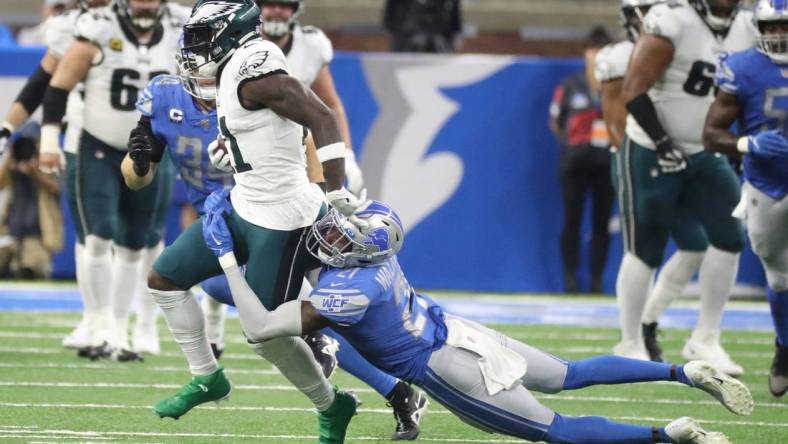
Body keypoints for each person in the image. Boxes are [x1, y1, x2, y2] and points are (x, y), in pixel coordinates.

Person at [202, 195, 753, 444]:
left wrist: (226, 256)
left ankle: (671, 435)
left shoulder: (351, 288)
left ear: (360, 253)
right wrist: (334, 203)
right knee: (571, 372)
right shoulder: (380, 258)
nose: (332, 237)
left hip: (446, 365)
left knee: (555, 431)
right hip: (455, 330)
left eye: (344, 237)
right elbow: (346, 227)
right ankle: (683, 373)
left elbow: (262, 326)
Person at [145, 1, 361, 441]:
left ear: (231, 34)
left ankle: (332, 402)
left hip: (282, 218)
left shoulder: (254, 70)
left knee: (264, 335)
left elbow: (321, 116)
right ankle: (208, 377)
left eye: (202, 39)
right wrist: (234, 147)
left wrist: (336, 189)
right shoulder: (230, 68)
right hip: (245, 204)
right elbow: (264, 126)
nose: (193, 49)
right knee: (164, 280)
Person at [38, 0, 186, 360]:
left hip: (152, 147)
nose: (146, 3)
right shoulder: (98, 26)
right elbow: (59, 85)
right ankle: (101, 324)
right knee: (99, 232)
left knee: (138, 242)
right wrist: (48, 140)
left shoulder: (184, 26)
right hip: (99, 144)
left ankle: (122, 329)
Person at [615, 0, 753, 372]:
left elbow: (746, 91)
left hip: (705, 149)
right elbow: (633, 89)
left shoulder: (749, 26)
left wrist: (738, 140)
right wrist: (662, 142)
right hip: (651, 147)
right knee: (646, 246)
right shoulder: (672, 19)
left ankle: (705, 339)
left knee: (729, 234)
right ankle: (629, 343)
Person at [0, 0, 110, 350]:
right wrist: (7, 128)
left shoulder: (148, 22)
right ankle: (97, 319)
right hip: (87, 137)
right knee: (92, 234)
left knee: (138, 238)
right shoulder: (69, 26)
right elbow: (42, 84)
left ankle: (132, 325)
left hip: (140, 137)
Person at [701, 0, 788, 397]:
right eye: (772, 27)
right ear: (759, 28)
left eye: (785, 26)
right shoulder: (742, 67)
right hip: (766, 184)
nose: (779, 35)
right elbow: (711, 133)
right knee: (780, 276)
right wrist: (747, 142)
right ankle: (785, 346)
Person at [549, 26, 614, 294]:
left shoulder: (615, 87)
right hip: (574, 164)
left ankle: (597, 282)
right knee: (572, 221)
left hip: (605, 163)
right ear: (585, 53)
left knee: (601, 224)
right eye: (592, 50)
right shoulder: (570, 85)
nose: (596, 55)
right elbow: (554, 121)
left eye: (601, 50)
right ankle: (570, 280)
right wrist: (571, 144)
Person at [0, 126, 63, 279]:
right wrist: (8, 157)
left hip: (38, 231)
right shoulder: (13, 161)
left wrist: (35, 172)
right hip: (12, 228)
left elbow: (56, 189)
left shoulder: (51, 161)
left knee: (31, 272)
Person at [383, 0, 462, 53]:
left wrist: (455, 36)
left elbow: (454, 22)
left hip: (440, 43)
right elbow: (390, 20)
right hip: (406, 42)